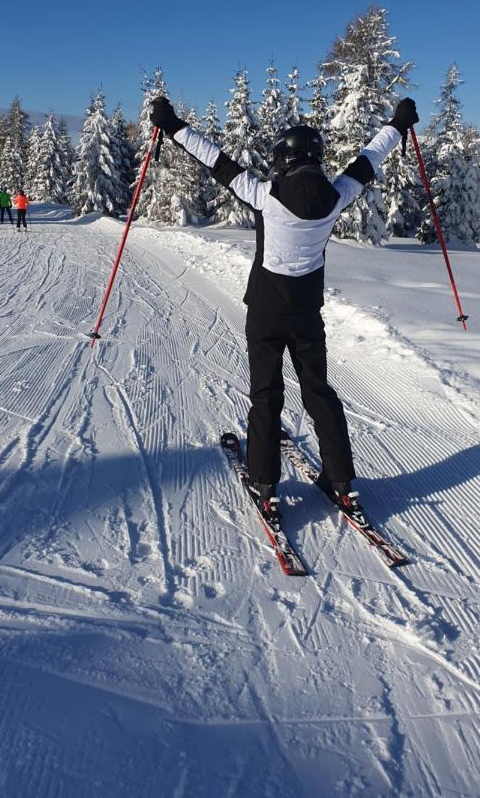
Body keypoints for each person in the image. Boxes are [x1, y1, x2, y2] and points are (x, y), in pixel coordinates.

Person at [150, 95, 418, 516]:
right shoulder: (337, 196)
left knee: (266, 395)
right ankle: (342, 482)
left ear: (284, 160)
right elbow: (370, 158)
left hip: (265, 313)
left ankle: (265, 484)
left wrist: (173, 125)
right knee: (319, 392)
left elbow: (216, 160)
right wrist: (398, 125)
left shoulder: (264, 195)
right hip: (307, 314)